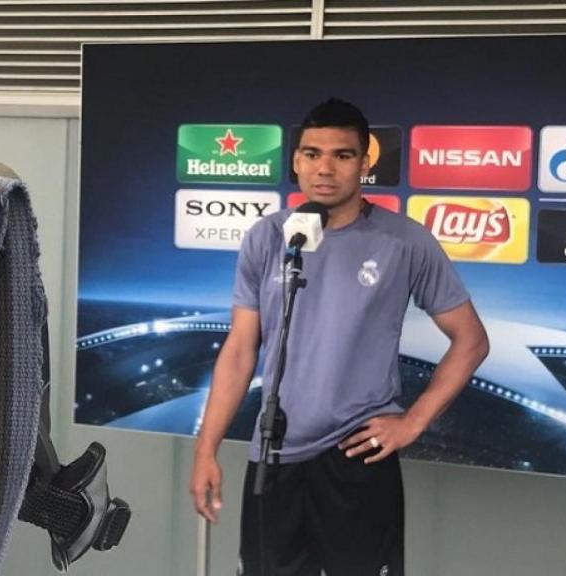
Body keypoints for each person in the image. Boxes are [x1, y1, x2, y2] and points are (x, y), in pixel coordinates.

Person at [188, 98, 489, 576]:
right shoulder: (267, 237)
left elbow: (471, 340)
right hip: (274, 455)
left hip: (357, 457)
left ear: (365, 163)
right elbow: (241, 349)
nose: (324, 168)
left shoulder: (404, 241)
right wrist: (207, 449)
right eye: (312, 153)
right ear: (295, 161)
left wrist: (412, 423)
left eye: (342, 155)